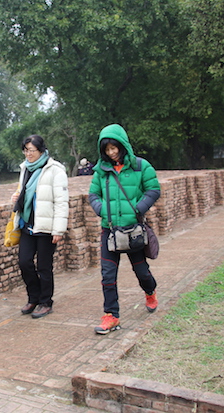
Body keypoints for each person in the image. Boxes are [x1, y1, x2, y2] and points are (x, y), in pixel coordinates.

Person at [88, 124, 161, 335]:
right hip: (110, 231)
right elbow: (93, 194)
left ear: (123, 145)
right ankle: (111, 315)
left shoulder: (140, 166)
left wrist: (138, 208)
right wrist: (103, 210)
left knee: (141, 271)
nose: (112, 153)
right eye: (107, 149)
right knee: (107, 275)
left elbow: (153, 189)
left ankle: (150, 291)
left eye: (114, 148)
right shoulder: (101, 171)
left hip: (133, 230)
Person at [10, 135, 69, 319]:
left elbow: (61, 201)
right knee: (24, 262)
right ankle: (33, 297)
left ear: (42, 150)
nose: (28, 154)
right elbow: (25, 191)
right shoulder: (25, 168)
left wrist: (58, 230)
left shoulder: (55, 170)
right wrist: (17, 197)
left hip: (46, 226)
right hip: (28, 223)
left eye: (32, 150)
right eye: (25, 150)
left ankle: (45, 302)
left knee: (44, 266)